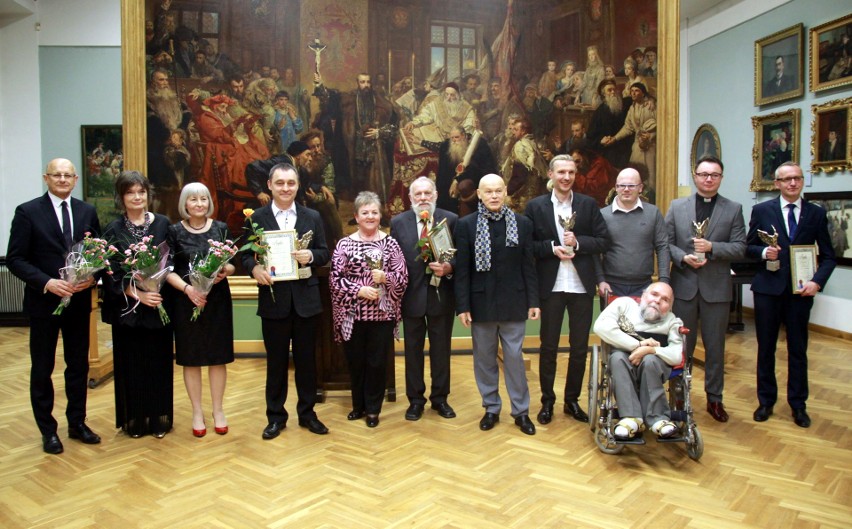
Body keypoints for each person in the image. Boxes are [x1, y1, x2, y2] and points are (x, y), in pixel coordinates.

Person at [6, 158, 102, 454]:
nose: (62, 179)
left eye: (67, 175)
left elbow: (99, 252)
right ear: (46, 178)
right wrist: (48, 283)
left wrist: (92, 277)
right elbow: (16, 259)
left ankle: (77, 423)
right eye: (56, 175)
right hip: (43, 302)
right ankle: (48, 430)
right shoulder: (28, 211)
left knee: (78, 365)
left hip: (78, 302)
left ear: (75, 180)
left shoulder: (87, 211)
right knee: (43, 367)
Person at [241, 163, 331, 439]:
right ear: (269, 185)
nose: (285, 188)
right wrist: (254, 269)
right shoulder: (256, 217)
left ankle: (308, 414)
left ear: (297, 185)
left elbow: (325, 252)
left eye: (291, 183)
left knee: (307, 363)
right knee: (276, 363)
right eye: (279, 183)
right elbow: (244, 254)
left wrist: (311, 257)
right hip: (274, 302)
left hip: (306, 300)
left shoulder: (312, 216)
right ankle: (276, 417)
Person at [746, 162, 836, 428]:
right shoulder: (762, 210)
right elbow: (748, 247)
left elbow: (829, 256)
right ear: (777, 184)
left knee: (798, 350)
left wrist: (817, 283)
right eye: (786, 179)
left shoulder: (816, 214)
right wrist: (764, 253)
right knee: (766, 348)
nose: (792, 183)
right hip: (767, 290)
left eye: (797, 178)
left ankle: (798, 404)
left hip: (800, 293)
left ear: (802, 181)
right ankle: (766, 401)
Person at [524, 155, 610, 425]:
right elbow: (528, 247)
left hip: (581, 287)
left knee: (579, 347)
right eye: (561, 172)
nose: (566, 177)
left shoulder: (587, 204)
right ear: (550, 174)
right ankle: (547, 402)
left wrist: (579, 243)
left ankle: (571, 401)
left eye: (571, 172)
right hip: (550, 286)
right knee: (548, 347)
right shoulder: (535, 206)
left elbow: (604, 240)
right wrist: (552, 248)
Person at [455, 174, 540, 435]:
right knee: (484, 359)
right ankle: (491, 407)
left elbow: (529, 265)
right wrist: (463, 306)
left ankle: (521, 411)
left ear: (505, 193)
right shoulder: (466, 225)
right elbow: (462, 271)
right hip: (480, 303)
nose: (493, 196)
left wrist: (534, 301)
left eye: (498, 191)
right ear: (479, 194)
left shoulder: (523, 224)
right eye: (488, 191)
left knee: (514, 357)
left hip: (514, 300)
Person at [665, 155, 746, 422]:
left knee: (715, 348)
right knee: (680, 346)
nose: (708, 179)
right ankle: (678, 397)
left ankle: (715, 399)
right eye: (703, 174)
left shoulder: (733, 209)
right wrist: (682, 257)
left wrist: (712, 248)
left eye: (714, 175)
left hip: (716, 289)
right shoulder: (677, 207)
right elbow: (666, 242)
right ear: (695, 176)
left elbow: (740, 247)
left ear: (721, 178)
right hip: (684, 285)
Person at [101, 171, 174, 439]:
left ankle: (159, 420)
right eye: (130, 192)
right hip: (128, 310)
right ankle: (135, 421)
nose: (137, 197)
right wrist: (138, 294)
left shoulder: (163, 224)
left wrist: (154, 289)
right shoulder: (113, 229)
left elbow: (173, 263)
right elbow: (110, 274)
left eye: (141, 192)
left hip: (158, 306)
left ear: (148, 194)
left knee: (158, 363)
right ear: (122, 197)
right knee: (132, 364)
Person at [330, 192, 408, 428]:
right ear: (356, 216)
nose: (370, 216)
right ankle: (358, 405)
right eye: (365, 212)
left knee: (376, 363)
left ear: (380, 215)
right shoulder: (344, 244)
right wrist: (358, 290)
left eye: (374, 212)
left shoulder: (390, 243)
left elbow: (402, 278)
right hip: (352, 317)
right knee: (356, 362)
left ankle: (373, 409)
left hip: (382, 315)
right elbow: (334, 280)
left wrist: (386, 277)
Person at [166, 183, 235, 437]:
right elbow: (167, 271)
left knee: (218, 357)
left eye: (203, 199)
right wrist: (189, 290)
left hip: (216, 301)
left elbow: (231, 266)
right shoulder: (173, 231)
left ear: (209, 203)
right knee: (191, 357)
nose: (199, 204)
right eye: (193, 199)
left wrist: (223, 272)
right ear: (184, 204)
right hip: (186, 301)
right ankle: (197, 412)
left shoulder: (221, 228)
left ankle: (218, 410)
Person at [390, 177, 457, 421]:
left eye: (427, 193)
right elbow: (394, 260)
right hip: (411, 298)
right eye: (417, 194)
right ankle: (415, 401)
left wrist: (449, 267)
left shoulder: (451, 219)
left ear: (436, 194)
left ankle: (440, 399)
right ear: (410, 198)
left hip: (441, 297)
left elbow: (461, 256)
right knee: (413, 352)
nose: (423, 198)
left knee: (441, 351)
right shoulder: (399, 223)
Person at [592, 282, 684, 439]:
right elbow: (601, 327)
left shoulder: (672, 321)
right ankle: (631, 418)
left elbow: (676, 355)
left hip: (655, 366)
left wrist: (650, 350)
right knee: (617, 358)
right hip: (623, 360)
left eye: (665, 299)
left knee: (649, 360)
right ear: (643, 296)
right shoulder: (624, 305)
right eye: (654, 294)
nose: (657, 301)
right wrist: (638, 344)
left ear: (669, 307)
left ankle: (658, 419)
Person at [314, 72, 397, 199]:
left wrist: (379, 132)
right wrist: (320, 85)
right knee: (357, 179)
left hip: (375, 146)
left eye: (368, 82)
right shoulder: (349, 99)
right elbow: (332, 98)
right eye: (362, 82)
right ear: (357, 83)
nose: (366, 85)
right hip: (354, 147)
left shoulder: (380, 101)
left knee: (375, 183)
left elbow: (393, 125)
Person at [596, 168, 670, 297]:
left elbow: (662, 247)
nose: (626, 189)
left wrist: (663, 281)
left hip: (644, 286)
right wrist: (600, 280)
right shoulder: (602, 215)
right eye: (622, 185)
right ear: (616, 188)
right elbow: (595, 251)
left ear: (640, 188)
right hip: (611, 286)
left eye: (631, 185)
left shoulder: (653, 213)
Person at [420, 125, 498, 217]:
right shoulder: (446, 147)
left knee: (464, 186)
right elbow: (443, 174)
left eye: (457, 137)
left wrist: (457, 180)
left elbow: (477, 170)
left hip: (472, 182)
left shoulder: (477, 146)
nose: (454, 141)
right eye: (452, 138)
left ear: (464, 136)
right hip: (451, 185)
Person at [602, 83, 657, 190]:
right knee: (635, 173)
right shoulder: (632, 108)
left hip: (650, 146)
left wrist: (650, 136)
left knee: (651, 175)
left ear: (643, 93)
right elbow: (628, 127)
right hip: (637, 146)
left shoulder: (651, 106)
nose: (633, 93)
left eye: (636, 91)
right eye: (632, 91)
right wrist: (615, 138)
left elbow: (662, 126)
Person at [501, 117, 548, 213]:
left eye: (516, 129)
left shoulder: (521, 146)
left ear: (523, 131)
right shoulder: (532, 143)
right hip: (534, 195)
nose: (513, 132)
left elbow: (520, 174)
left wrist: (508, 191)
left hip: (521, 197)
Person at [404, 82, 476, 139]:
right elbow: (426, 115)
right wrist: (414, 123)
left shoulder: (466, 108)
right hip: (439, 138)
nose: (448, 98)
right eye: (447, 94)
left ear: (458, 96)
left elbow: (469, 127)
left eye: (452, 95)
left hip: (458, 140)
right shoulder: (437, 103)